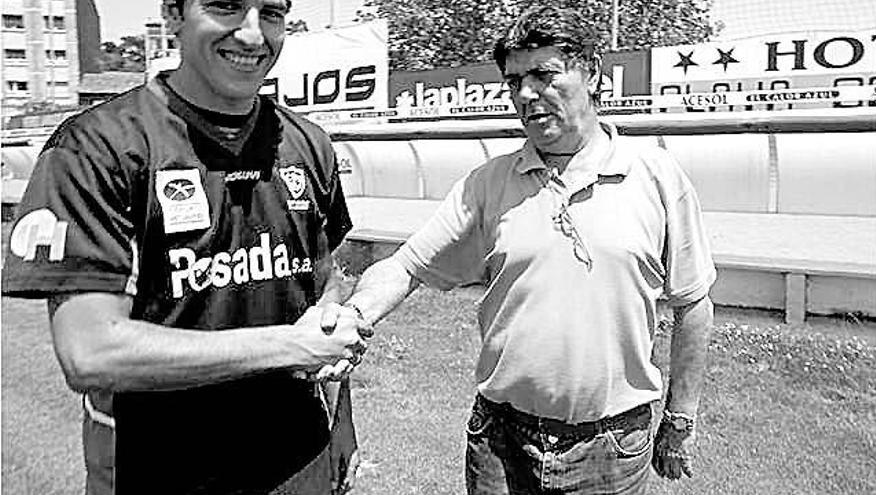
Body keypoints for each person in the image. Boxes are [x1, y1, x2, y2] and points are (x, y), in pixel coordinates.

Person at [329, 6, 716, 494]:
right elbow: (406, 266)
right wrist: (354, 315)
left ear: (592, 73)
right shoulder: (488, 184)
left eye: (543, 75)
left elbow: (693, 302)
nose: (526, 94)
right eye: (514, 81)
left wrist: (680, 418)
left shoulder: (657, 176)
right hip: (500, 445)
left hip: (612, 450)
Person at [1, 0, 369, 493]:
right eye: (226, 6)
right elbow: (90, 351)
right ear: (173, 15)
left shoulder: (309, 143)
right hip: (157, 473)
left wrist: (341, 411)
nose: (253, 34)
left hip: (301, 464)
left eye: (271, 12)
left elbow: (325, 288)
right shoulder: (97, 146)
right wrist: (290, 346)